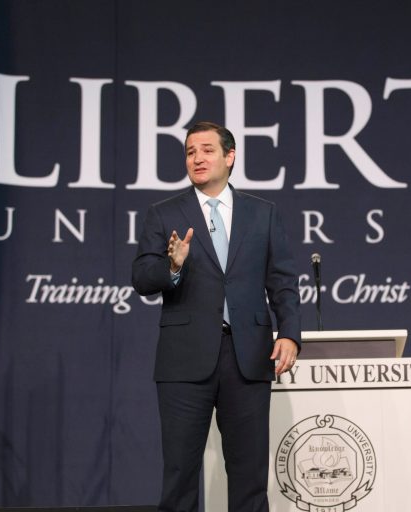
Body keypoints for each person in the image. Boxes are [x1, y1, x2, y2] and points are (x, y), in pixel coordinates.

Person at [132, 121, 301, 512]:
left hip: (248, 357)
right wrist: (171, 266)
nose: (197, 158)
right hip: (183, 360)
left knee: (249, 478)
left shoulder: (263, 214)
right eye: (190, 152)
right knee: (179, 477)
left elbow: (282, 282)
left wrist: (289, 333)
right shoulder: (164, 214)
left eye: (207, 150)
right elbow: (142, 278)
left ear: (230, 156)